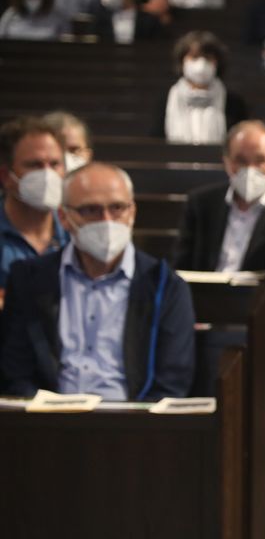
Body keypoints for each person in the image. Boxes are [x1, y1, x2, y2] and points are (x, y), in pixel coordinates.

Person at [0, 162, 196, 400]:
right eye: (90, 210)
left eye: (117, 208)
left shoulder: (166, 286)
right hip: (48, 423)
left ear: (132, 212)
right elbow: (15, 371)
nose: (107, 220)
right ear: (63, 217)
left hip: (133, 427)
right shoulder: (28, 278)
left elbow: (172, 381)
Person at [173, 120, 265, 362]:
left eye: (260, 161)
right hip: (202, 318)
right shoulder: (201, 203)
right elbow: (179, 266)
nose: (250, 170)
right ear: (227, 163)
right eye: (241, 160)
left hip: (262, 322)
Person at [0, 117, 70, 299]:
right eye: (34, 165)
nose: (48, 174)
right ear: (6, 176)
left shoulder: (76, 232)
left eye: (55, 164)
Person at [153, 31, 249, 144]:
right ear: (182, 61)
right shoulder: (166, 100)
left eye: (208, 58)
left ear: (217, 63)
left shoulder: (234, 103)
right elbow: (156, 142)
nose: (201, 64)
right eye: (194, 57)